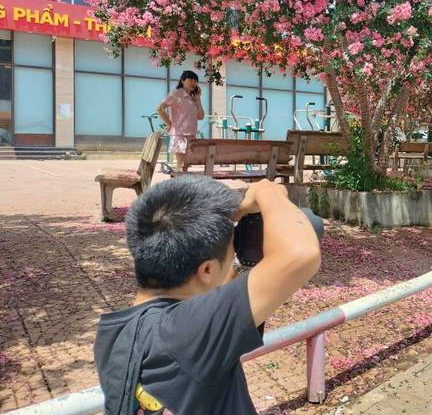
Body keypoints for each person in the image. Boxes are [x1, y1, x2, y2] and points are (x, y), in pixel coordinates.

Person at [93, 176, 321, 414]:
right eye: (232, 252)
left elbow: (208, 296)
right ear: (207, 270)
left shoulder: (114, 333)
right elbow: (300, 254)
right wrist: (269, 192)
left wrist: (237, 265)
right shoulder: (188, 333)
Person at [156, 70, 205, 171]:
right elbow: (160, 108)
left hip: (191, 135)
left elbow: (200, 116)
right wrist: (169, 124)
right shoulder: (176, 94)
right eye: (190, 80)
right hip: (179, 134)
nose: (193, 83)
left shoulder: (193, 98)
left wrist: (198, 99)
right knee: (181, 165)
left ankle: (179, 185)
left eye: (195, 81)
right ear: (182, 81)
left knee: (185, 165)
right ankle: (177, 185)